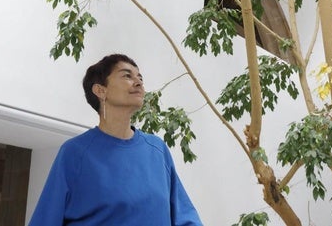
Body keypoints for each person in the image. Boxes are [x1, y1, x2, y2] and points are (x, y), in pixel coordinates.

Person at [28, 54, 203, 226]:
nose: (139, 82)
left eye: (140, 77)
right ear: (100, 90)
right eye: (127, 75)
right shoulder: (75, 153)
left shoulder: (157, 150)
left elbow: (186, 217)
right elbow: (46, 218)